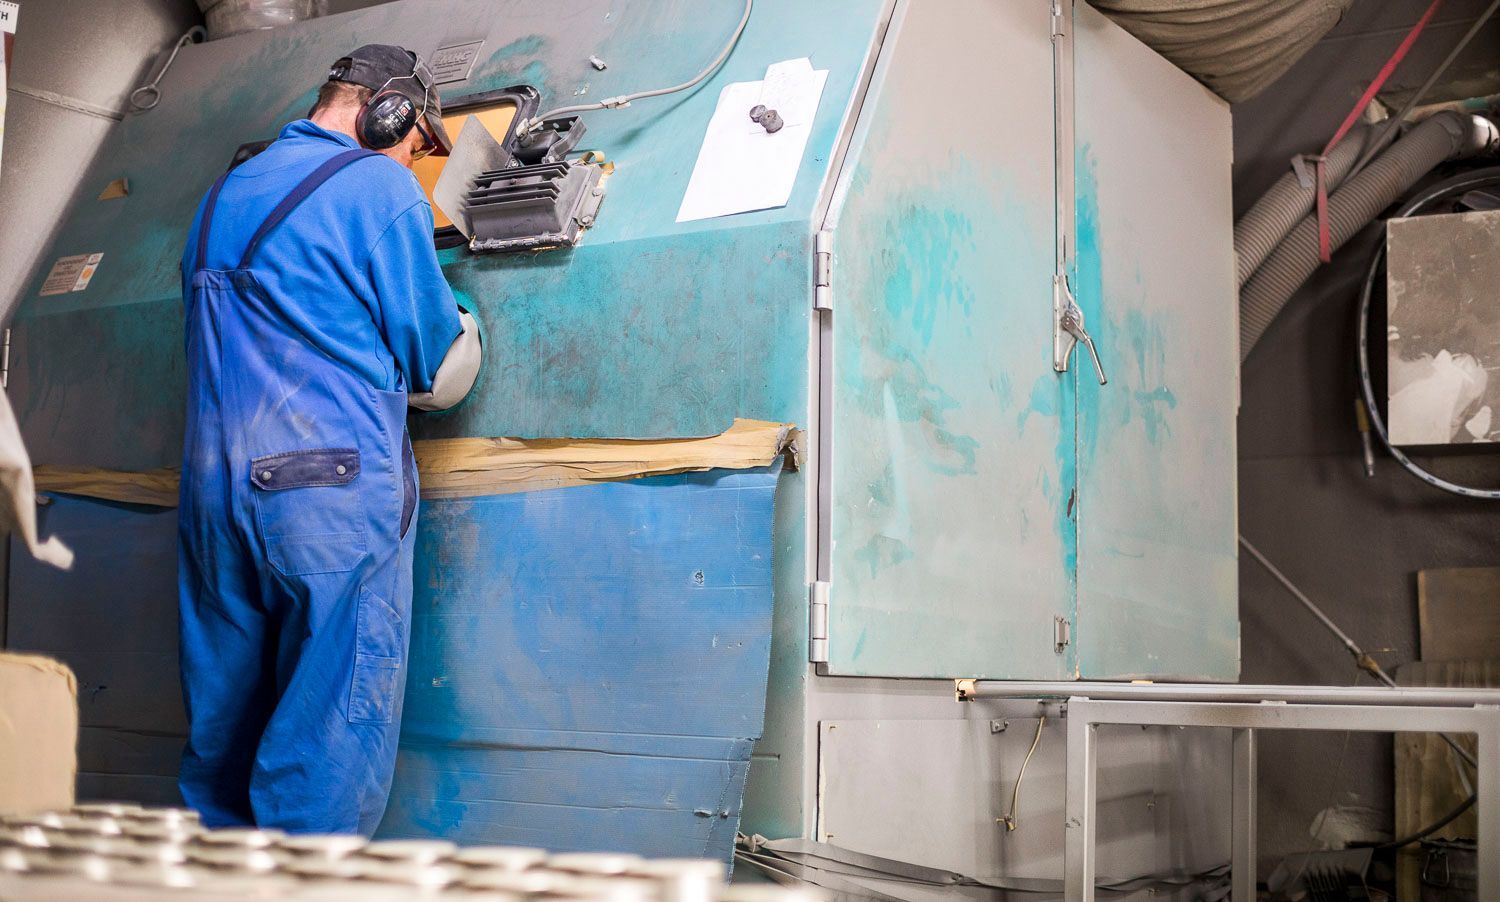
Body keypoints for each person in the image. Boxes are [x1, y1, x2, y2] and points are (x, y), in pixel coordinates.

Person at [176, 44, 481, 834]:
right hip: (325, 498)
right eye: (418, 143)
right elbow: (430, 356)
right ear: (389, 113)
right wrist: (467, 323)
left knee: (223, 740)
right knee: (329, 738)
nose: (413, 161)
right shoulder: (377, 185)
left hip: (213, 501)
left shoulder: (220, 195)